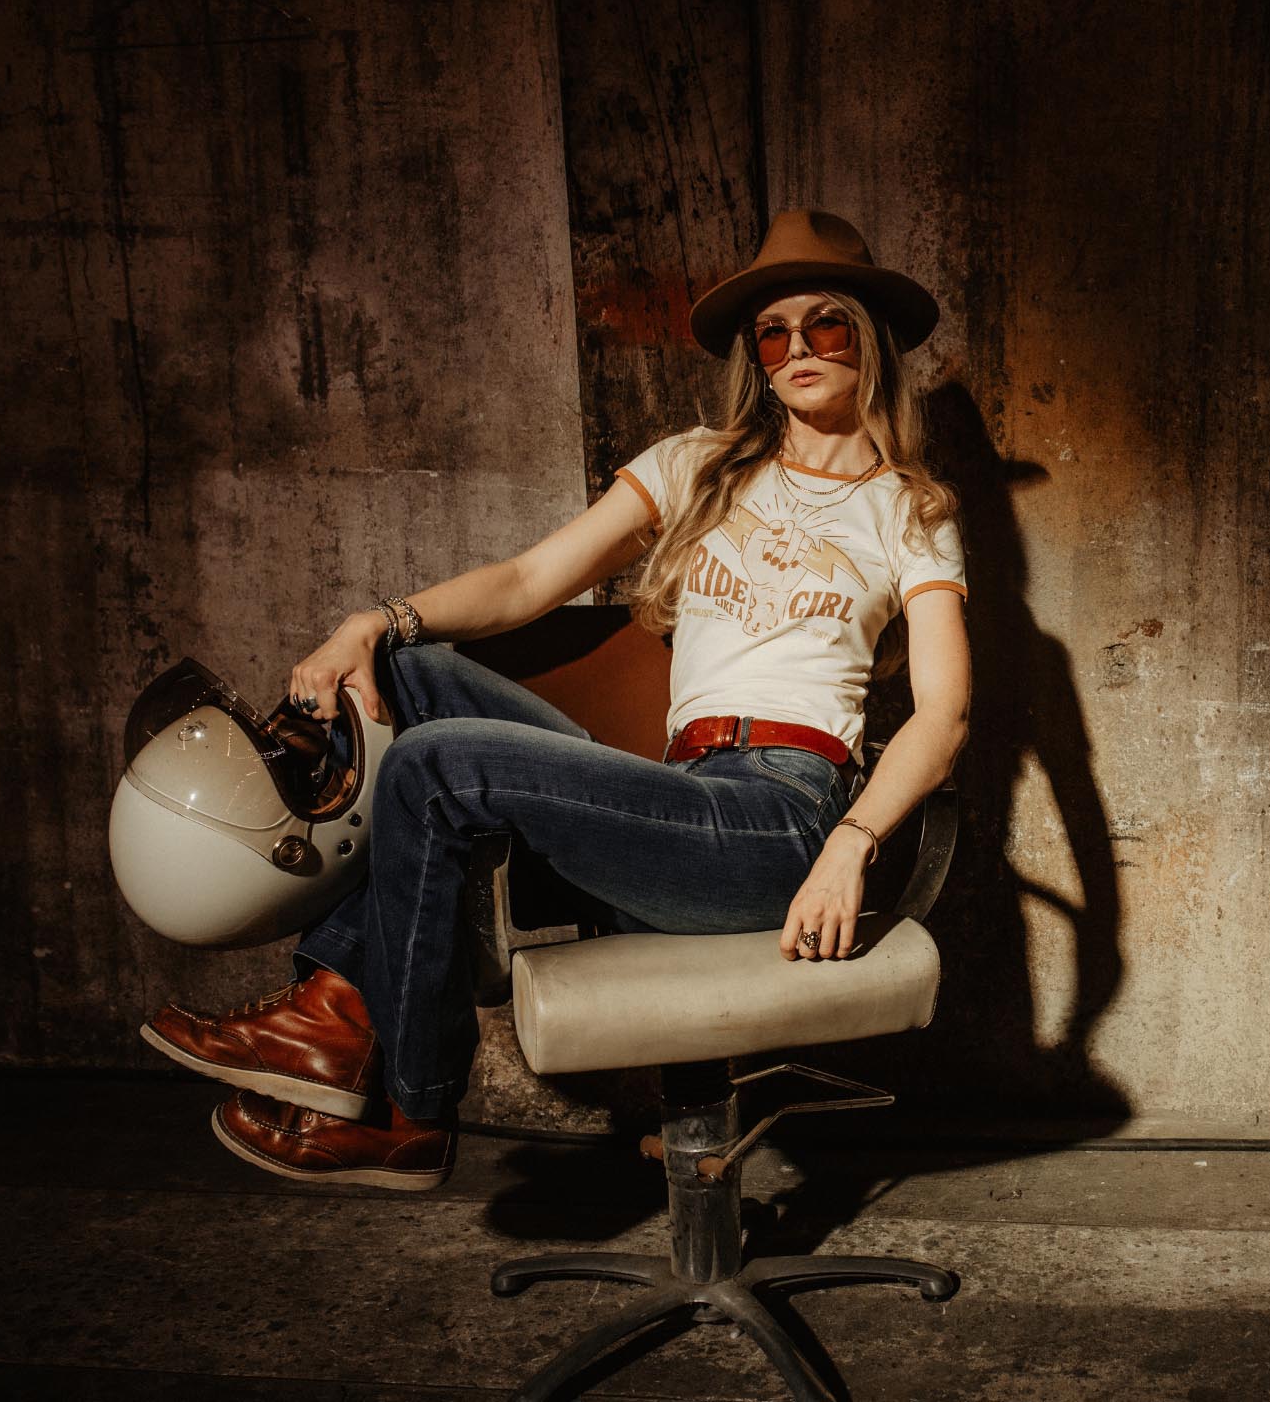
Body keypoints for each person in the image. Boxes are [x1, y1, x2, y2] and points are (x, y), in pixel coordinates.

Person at [140, 209, 971, 1189]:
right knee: (408, 674)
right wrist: (378, 619)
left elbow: (944, 714)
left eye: (824, 324)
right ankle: (334, 1015)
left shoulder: (909, 510)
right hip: (675, 797)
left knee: (437, 766)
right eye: (773, 333)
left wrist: (851, 843)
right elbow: (529, 581)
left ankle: (409, 1107)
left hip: (777, 818)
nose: (798, 349)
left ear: (867, 337)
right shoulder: (697, 465)